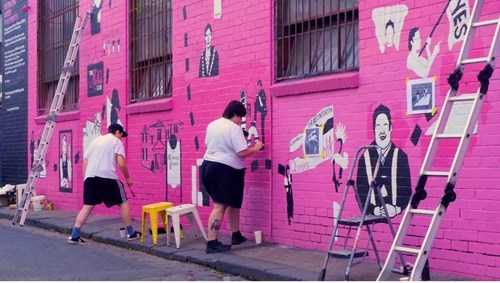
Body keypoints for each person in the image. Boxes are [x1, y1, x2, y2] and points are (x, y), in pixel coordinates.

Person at [200, 100, 264, 253]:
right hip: (224, 169)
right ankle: (212, 242)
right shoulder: (234, 128)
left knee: (232, 202)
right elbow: (242, 152)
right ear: (235, 114)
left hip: (208, 166)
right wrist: (256, 147)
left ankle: (236, 234)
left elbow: (208, 146)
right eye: (240, 117)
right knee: (220, 205)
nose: (241, 121)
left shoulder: (212, 125)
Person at [68, 124, 141, 244]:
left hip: (90, 178)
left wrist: (85, 178)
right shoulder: (116, 142)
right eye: (121, 135)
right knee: (123, 202)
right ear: (118, 132)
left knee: (87, 206)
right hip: (107, 178)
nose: (121, 138)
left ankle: (74, 235)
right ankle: (131, 233)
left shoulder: (95, 141)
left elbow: (85, 161)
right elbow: (121, 163)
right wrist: (127, 178)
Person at [356, 104, 411, 218]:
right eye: (378, 126)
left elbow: (407, 191)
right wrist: (374, 210)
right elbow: (360, 192)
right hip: (373, 213)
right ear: (374, 129)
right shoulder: (364, 158)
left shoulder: (401, 157)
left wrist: (397, 208)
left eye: (385, 125)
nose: (382, 131)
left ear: (390, 128)